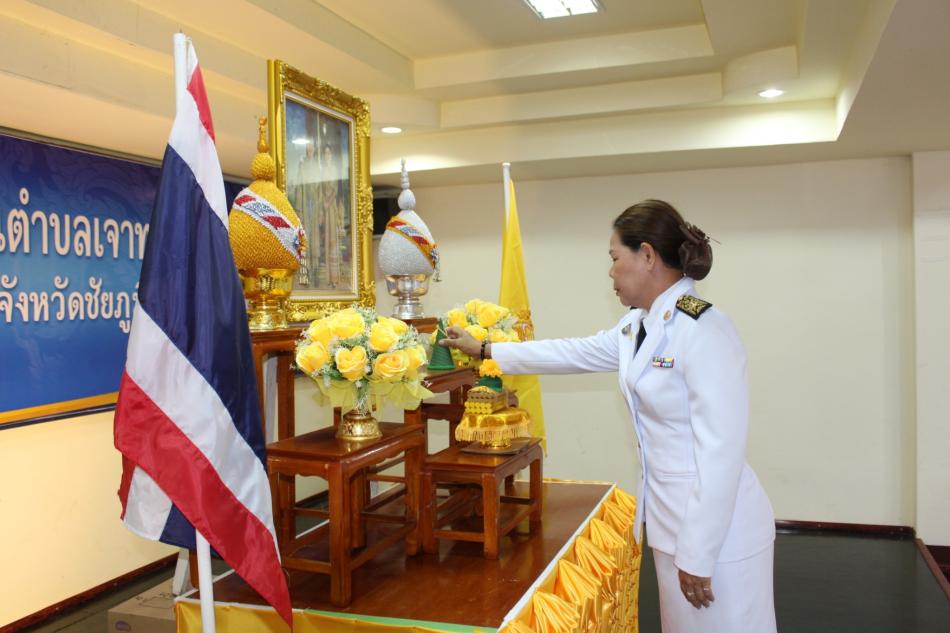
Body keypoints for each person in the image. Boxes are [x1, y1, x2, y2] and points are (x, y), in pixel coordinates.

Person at [440, 199, 777, 633]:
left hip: (717, 533)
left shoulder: (704, 329)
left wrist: (697, 552)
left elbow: (722, 452)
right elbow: (571, 352)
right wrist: (486, 349)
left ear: (648, 256)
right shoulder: (637, 326)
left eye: (615, 258)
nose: (611, 271)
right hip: (672, 522)